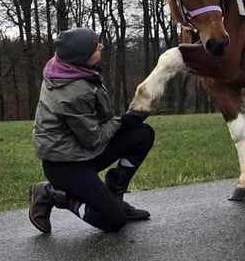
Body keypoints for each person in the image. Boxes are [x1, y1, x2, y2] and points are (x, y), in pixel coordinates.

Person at [29, 27, 154, 233]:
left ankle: (114, 196)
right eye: (96, 46)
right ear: (82, 56)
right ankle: (51, 193)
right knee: (114, 221)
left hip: (82, 152)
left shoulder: (71, 69)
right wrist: (123, 121)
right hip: (64, 165)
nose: (102, 46)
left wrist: (128, 122)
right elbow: (93, 139)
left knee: (142, 134)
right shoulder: (72, 92)